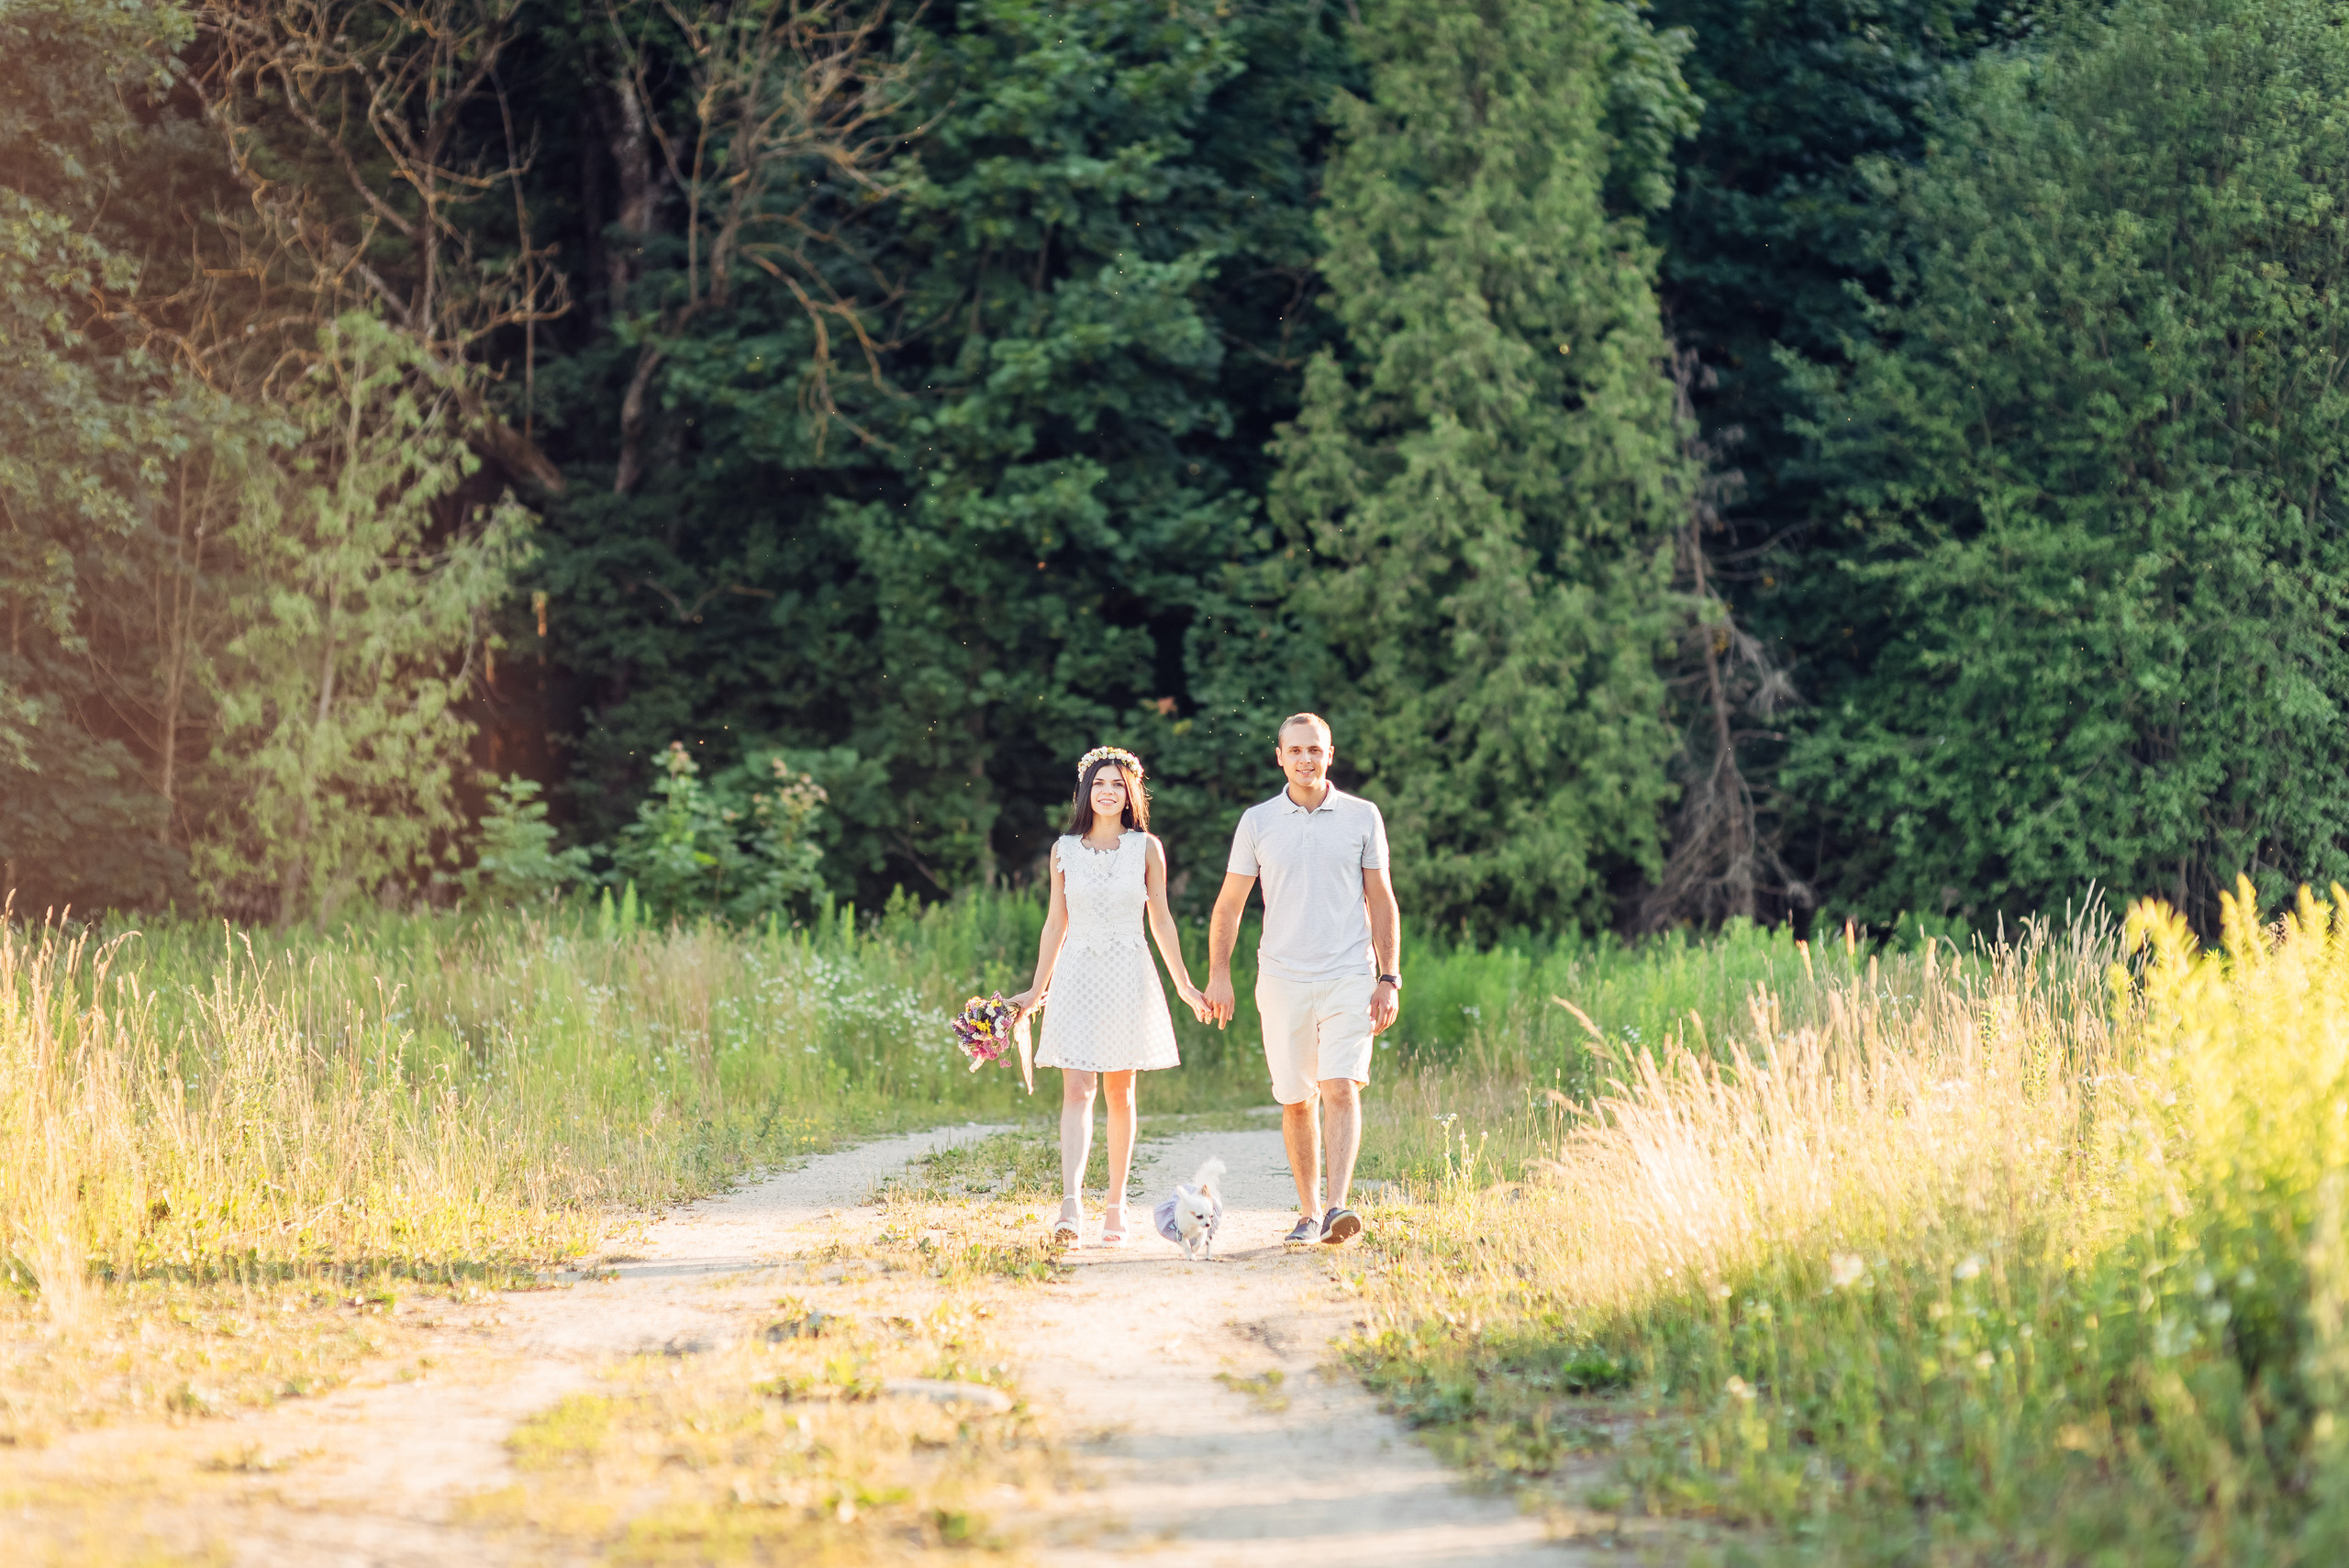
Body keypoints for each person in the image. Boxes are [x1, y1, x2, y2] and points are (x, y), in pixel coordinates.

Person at [1204, 714, 1401, 1245]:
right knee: (1295, 1099)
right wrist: (1219, 975)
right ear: (1280, 757)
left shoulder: (1363, 817)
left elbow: (1380, 900)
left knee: (1340, 1085)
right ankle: (1309, 1211)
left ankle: (1338, 1208)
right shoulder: (1258, 822)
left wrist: (1389, 977)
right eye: (1296, 751)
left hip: (1349, 974)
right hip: (1283, 977)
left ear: (1330, 754)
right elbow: (1228, 907)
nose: (1306, 759)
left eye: (1315, 750)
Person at [1009, 746, 1211, 1246]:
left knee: (1120, 1091)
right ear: (1086, 791)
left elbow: (1161, 919)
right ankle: (1070, 1204)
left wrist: (1184, 984)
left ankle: (1116, 1205)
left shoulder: (1146, 848)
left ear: (1131, 793)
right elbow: (1056, 921)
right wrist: (1037, 989)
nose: (1108, 791)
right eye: (1099, 783)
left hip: (1128, 970)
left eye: (1118, 784)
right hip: (1076, 971)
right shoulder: (1064, 850)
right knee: (1078, 1089)